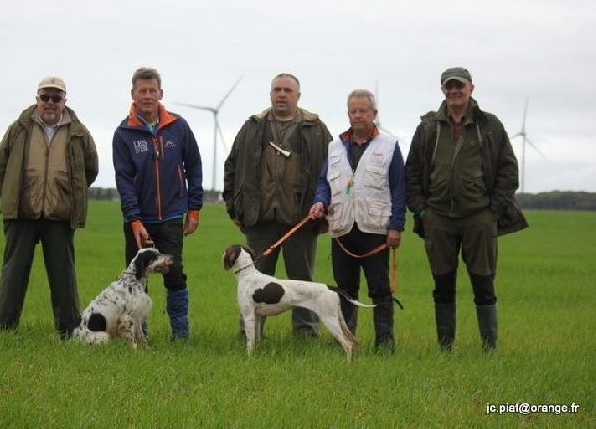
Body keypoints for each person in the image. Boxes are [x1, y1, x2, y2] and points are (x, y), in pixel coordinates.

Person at [405, 67, 528, 352]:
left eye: (459, 86)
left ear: (471, 88)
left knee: (483, 284)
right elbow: (412, 172)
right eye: (448, 87)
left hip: (479, 218)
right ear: (443, 91)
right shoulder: (427, 127)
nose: (454, 91)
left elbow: (509, 172)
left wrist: (493, 212)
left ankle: (490, 348)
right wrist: (422, 211)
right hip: (438, 218)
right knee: (443, 285)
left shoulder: (490, 126)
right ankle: (445, 348)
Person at [223, 73, 332, 337]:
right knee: (254, 281)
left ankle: (306, 336)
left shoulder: (316, 129)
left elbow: (332, 172)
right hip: (259, 219)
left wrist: (325, 213)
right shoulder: (252, 127)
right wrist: (235, 209)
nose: (281, 94)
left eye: (287, 90)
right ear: (270, 94)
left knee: (302, 282)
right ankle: (249, 335)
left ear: (298, 96)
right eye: (277, 90)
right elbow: (232, 167)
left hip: (301, 220)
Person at [0, 76, 99, 338]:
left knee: (64, 276)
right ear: (37, 99)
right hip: (22, 212)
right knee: (13, 274)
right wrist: (12, 196)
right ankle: (4, 329)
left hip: (60, 215)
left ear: (64, 101)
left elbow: (90, 169)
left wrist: (67, 192)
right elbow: (2, 167)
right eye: (45, 97)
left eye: (56, 98)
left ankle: (68, 331)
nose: (50, 103)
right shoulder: (18, 128)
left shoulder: (78, 132)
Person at [309, 89, 406, 352]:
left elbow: (398, 188)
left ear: (374, 114)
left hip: (375, 229)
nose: (358, 115)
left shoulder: (389, 146)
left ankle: (384, 344)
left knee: (380, 289)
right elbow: (323, 181)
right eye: (353, 111)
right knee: (344, 290)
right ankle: (346, 342)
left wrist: (396, 226)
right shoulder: (335, 146)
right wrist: (320, 201)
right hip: (342, 227)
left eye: (363, 110)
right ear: (348, 114)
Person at [112, 67, 203, 340]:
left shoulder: (179, 126)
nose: (148, 96)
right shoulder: (123, 133)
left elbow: (194, 166)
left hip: (172, 215)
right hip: (139, 220)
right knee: (137, 279)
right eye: (143, 91)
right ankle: (139, 334)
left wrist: (194, 208)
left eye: (153, 91)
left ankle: (180, 334)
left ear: (160, 93)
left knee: (174, 272)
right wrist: (134, 220)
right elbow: (124, 180)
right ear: (133, 94)